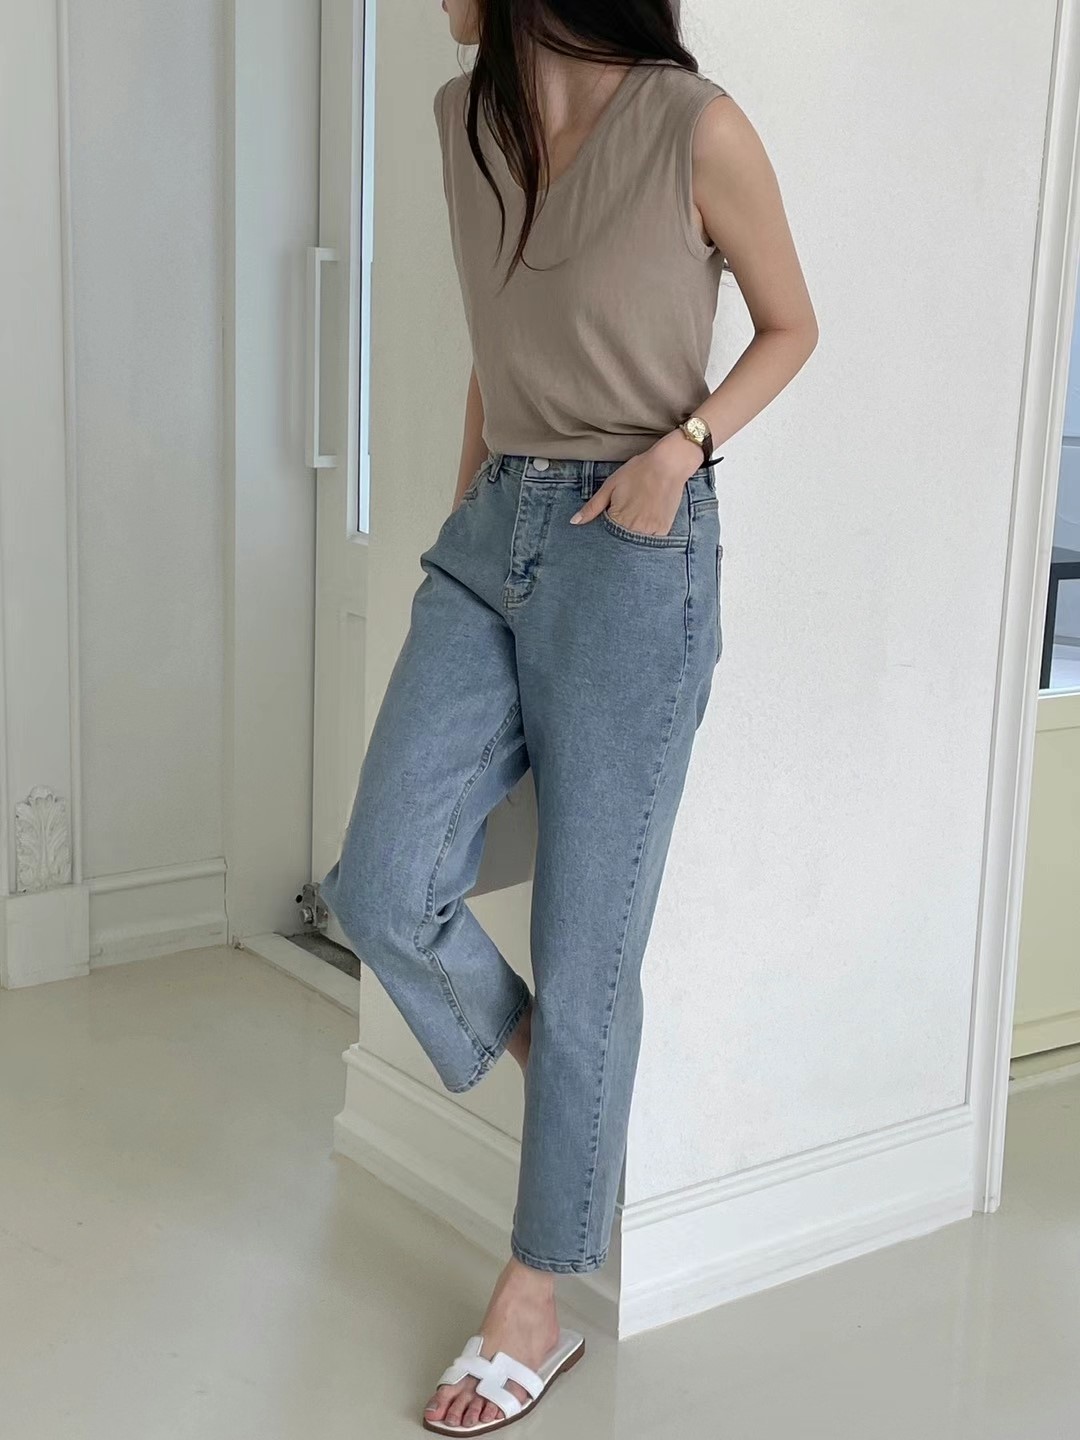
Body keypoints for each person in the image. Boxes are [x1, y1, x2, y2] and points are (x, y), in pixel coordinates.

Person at [320, 1, 818, 1432]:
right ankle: (568, 1068)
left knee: (588, 944)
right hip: (494, 533)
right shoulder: (458, 122)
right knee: (382, 886)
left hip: (636, 547)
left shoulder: (693, 125)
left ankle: (533, 1301)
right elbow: (503, 343)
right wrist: (467, 513)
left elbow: (792, 326)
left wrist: (683, 450)